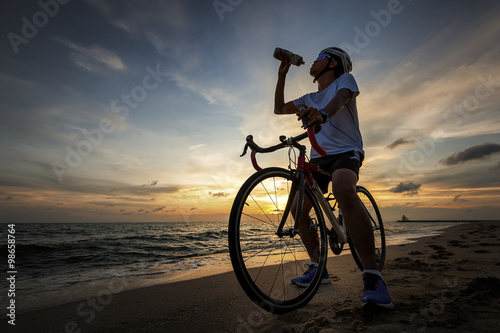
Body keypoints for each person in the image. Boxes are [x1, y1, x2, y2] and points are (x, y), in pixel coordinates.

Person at [274, 46, 393, 309]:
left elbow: (340, 101)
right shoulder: (308, 97)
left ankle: (373, 275)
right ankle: (319, 266)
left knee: (343, 188)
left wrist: (323, 113)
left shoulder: (344, 80)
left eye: (318, 58)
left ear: (332, 63)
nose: (312, 63)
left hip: (346, 151)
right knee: (297, 209)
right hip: (319, 155)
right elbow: (279, 108)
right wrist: (282, 74)